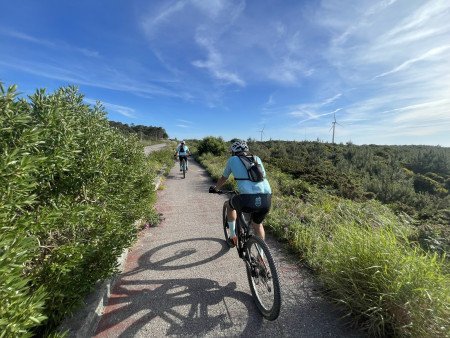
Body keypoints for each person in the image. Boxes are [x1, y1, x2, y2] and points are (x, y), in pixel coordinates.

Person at [210, 140, 272, 247]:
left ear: (234, 152)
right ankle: (261, 256)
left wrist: (216, 188)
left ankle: (233, 236)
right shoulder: (257, 158)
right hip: (267, 198)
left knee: (229, 206)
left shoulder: (233, 159)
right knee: (258, 225)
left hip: (247, 199)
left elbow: (224, 178)